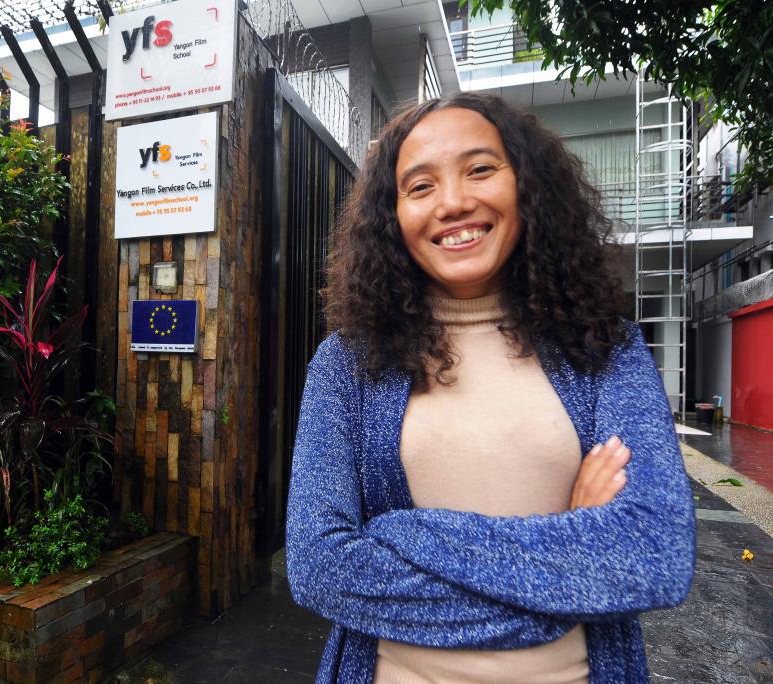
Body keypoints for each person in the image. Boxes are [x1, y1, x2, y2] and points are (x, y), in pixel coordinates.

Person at [285, 93, 696, 684]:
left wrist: (405, 533)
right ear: (392, 216)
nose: (453, 202)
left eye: (480, 169)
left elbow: (652, 555)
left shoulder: (605, 347)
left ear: (527, 187)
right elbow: (321, 567)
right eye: (420, 186)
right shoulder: (347, 365)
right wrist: (569, 559)